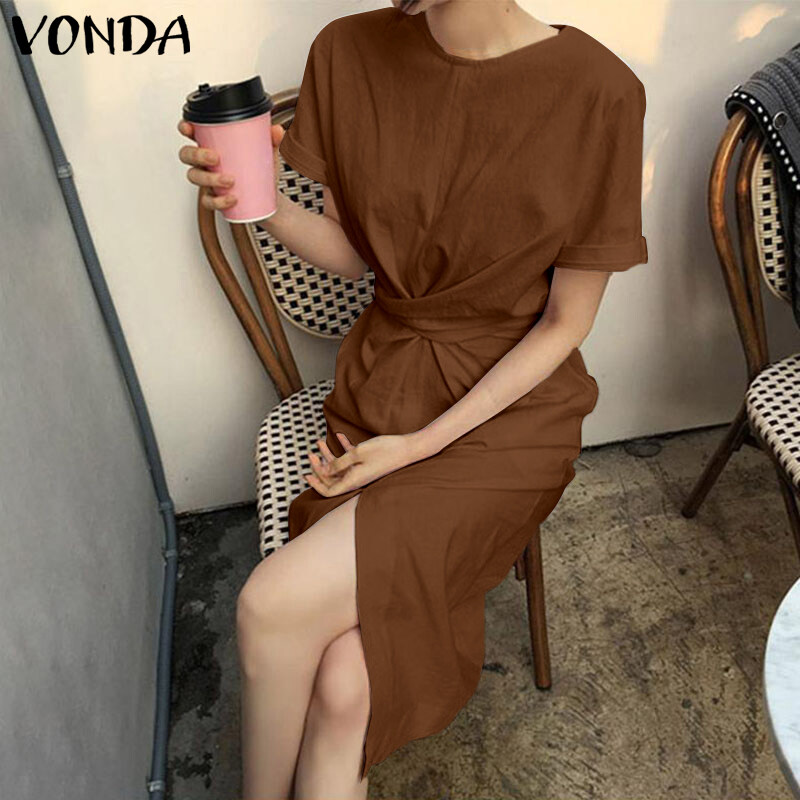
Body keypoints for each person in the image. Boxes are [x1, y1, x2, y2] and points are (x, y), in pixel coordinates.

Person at [178, 0, 648, 797]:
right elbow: (353, 254)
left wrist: (419, 448)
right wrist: (258, 202)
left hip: (510, 417)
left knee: (268, 607)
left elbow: (565, 324)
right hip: (387, 387)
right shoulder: (348, 51)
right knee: (343, 686)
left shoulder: (601, 91)